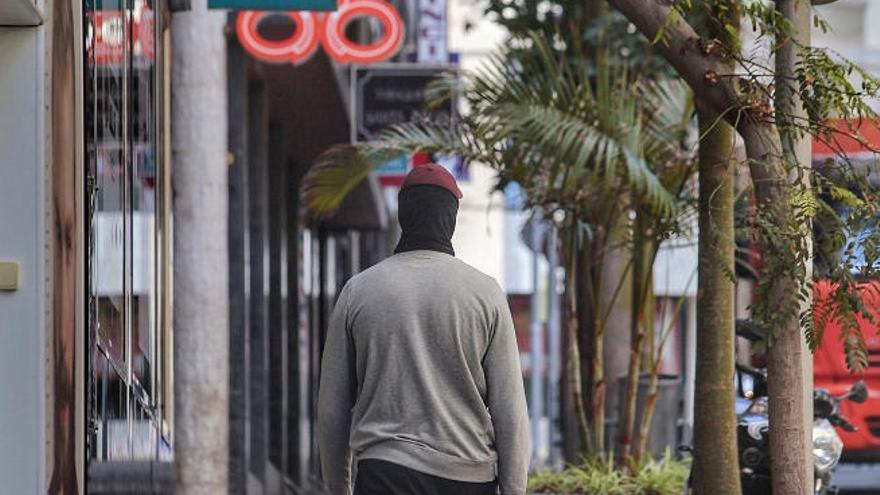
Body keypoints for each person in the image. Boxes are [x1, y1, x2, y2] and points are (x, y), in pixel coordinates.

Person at [317, 163, 529, 495]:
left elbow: (333, 406)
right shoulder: (485, 293)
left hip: (384, 474)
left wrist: (338, 487)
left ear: (404, 214)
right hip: (467, 478)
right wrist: (514, 490)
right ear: (452, 216)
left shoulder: (358, 291)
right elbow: (510, 409)